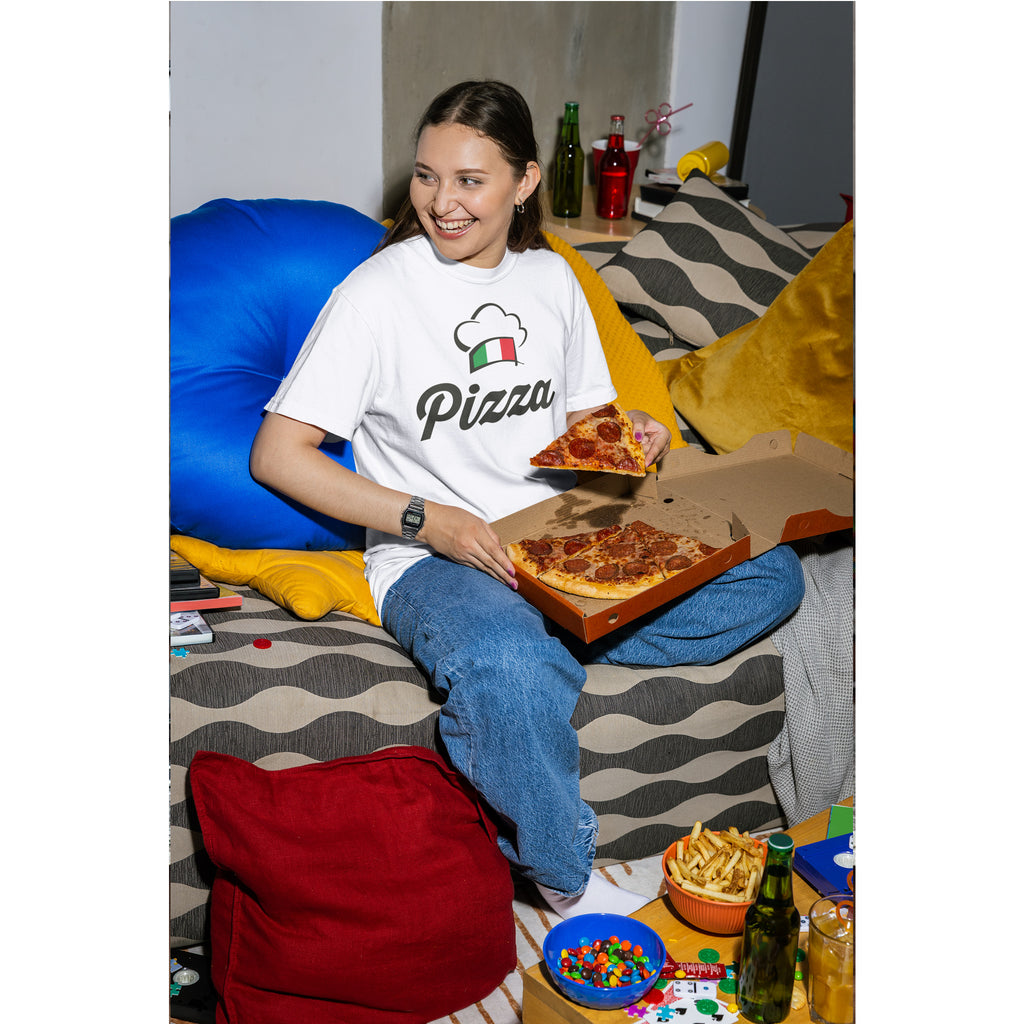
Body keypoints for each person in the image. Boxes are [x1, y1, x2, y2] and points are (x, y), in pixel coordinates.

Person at [250, 80, 804, 919]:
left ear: (526, 181)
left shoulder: (553, 281)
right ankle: (563, 877)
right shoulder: (375, 295)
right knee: (509, 665)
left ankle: (551, 645)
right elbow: (277, 457)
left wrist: (636, 434)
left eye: (470, 180)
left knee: (775, 578)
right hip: (439, 557)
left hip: (562, 535)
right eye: (428, 176)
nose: (442, 202)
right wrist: (425, 520)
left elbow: (589, 432)